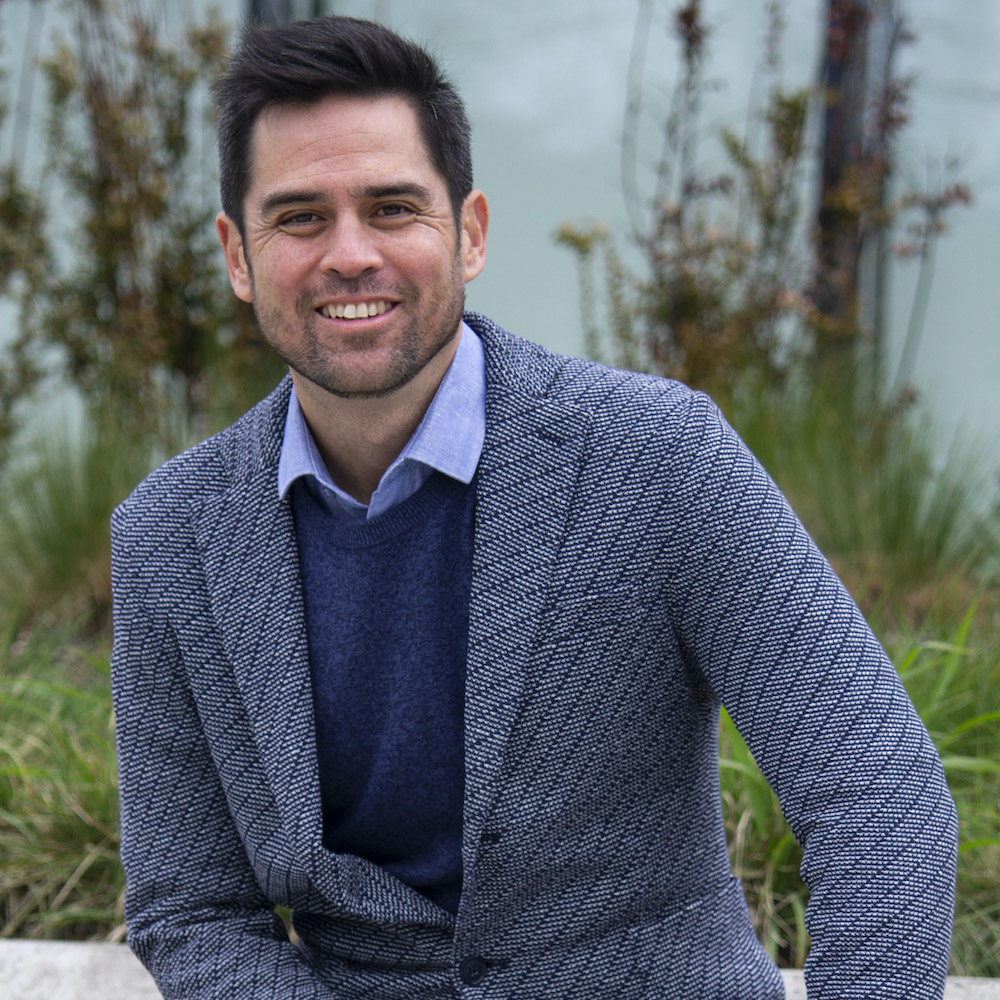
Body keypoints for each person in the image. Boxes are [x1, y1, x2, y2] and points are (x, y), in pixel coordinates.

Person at [110, 15, 958, 1000]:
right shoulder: (169, 534)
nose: (350, 254)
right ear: (236, 254)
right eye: (299, 217)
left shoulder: (661, 456)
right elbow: (193, 909)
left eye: (392, 208)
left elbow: (880, 802)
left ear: (467, 233)